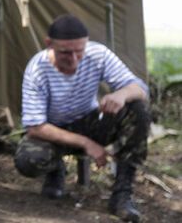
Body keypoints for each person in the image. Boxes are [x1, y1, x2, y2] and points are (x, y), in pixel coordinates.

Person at [13, 14, 150, 222]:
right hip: (53, 132)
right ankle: (55, 169)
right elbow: (36, 127)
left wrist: (120, 94)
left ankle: (122, 194)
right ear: (49, 44)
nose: (74, 59)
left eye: (79, 51)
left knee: (138, 109)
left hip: (90, 122)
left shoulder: (98, 54)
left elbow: (140, 89)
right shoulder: (37, 69)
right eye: (66, 53)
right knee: (28, 160)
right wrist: (87, 144)